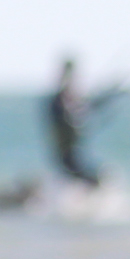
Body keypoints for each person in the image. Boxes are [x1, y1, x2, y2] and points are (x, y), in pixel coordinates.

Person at [45, 57, 105, 187]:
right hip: (66, 159)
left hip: (73, 156)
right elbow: (67, 121)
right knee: (94, 180)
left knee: (98, 177)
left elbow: (79, 111)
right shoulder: (58, 102)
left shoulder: (69, 100)